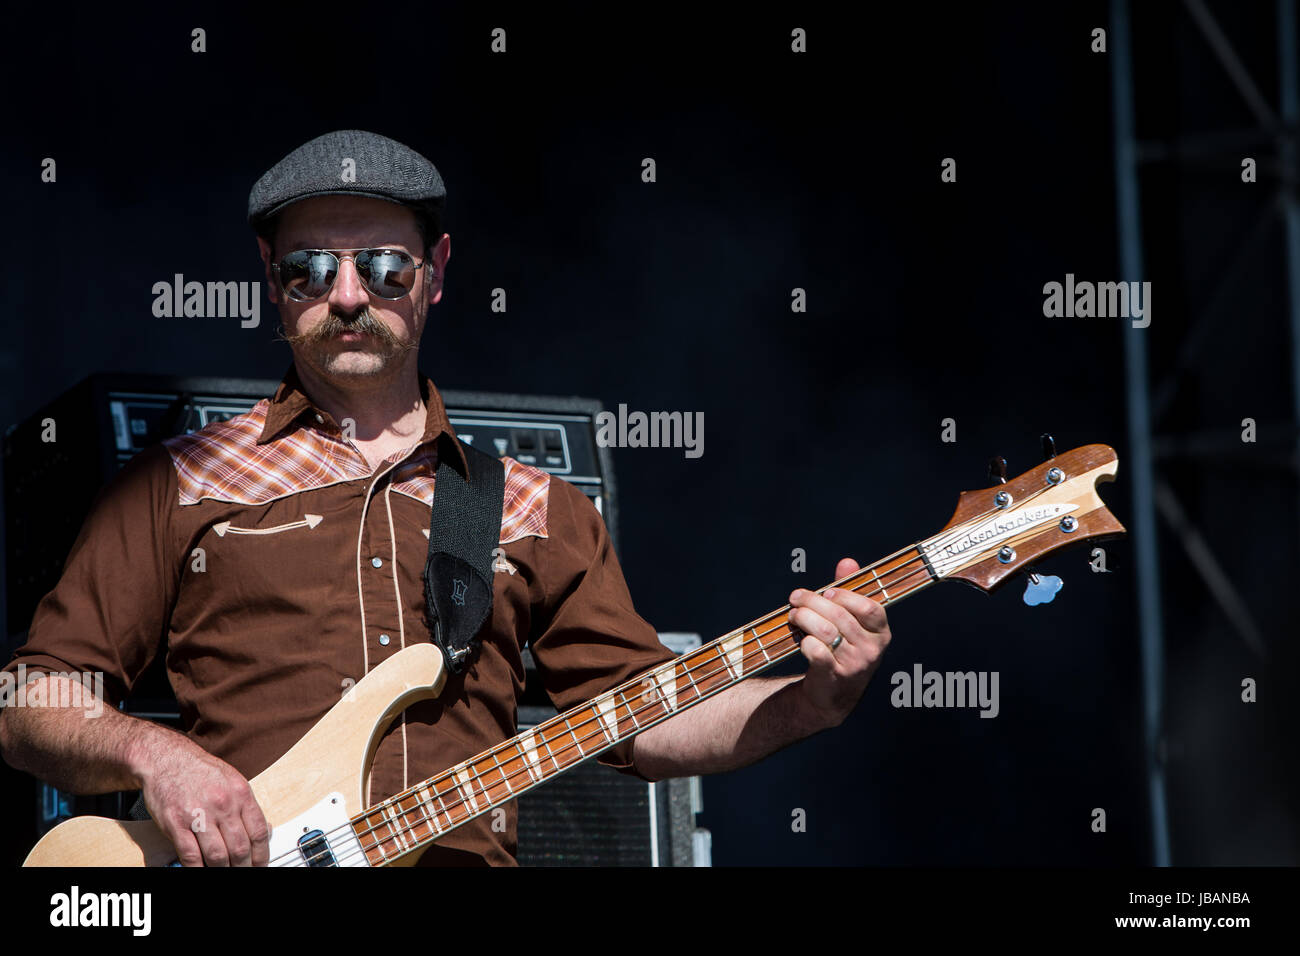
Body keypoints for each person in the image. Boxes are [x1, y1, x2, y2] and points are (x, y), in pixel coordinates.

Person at [0, 130, 892, 867]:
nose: (347, 297)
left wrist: (809, 702)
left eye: (385, 266)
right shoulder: (178, 481)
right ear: (271, 277)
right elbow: (34, 696)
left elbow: (645, 720)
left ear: (436, 271)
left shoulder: (528, 507)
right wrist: (158, 756)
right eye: (311, 270)